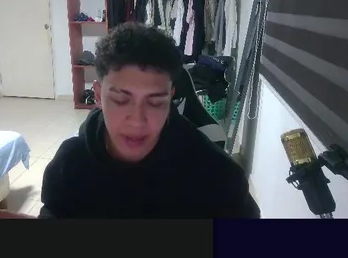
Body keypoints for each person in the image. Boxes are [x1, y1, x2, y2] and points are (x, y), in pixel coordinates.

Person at [40, 22, 260, 219]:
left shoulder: (215, 176)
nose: (137, 122)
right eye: (120, 100)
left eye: (155, 102)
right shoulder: (70, 164)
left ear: (170, 98)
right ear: (98, 95)